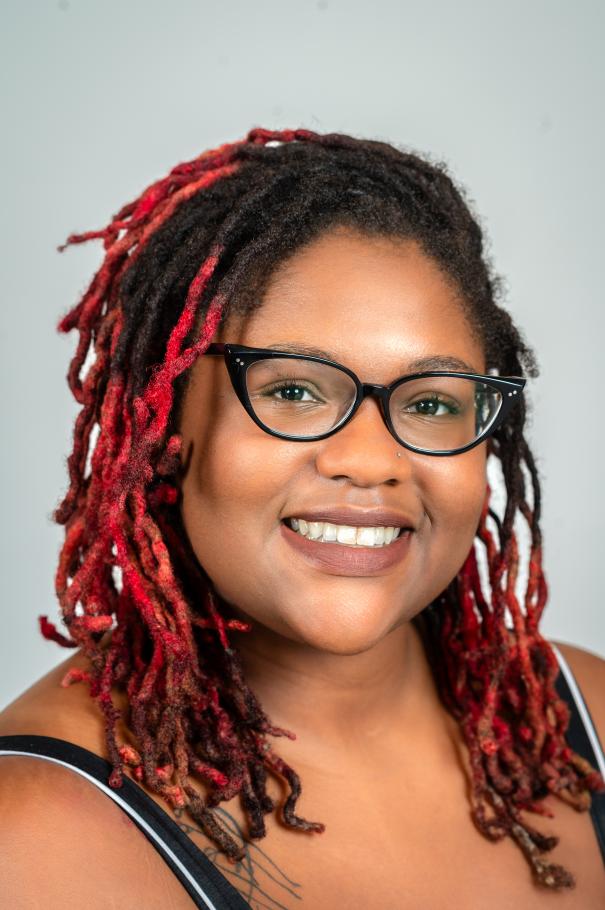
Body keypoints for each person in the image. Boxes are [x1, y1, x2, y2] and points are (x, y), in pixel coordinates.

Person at [0, 127, 604, 909]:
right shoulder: (35, 833)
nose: (370, 458)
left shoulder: (581, 719)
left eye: (428, 404)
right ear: (166, 429)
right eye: (293, 391)